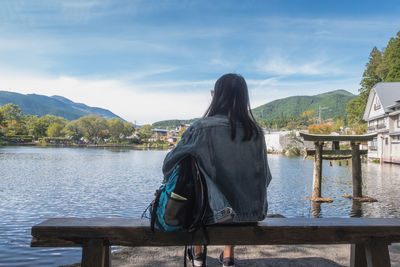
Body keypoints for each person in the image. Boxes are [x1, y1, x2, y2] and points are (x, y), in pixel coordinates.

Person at [162, 73, 272, 267]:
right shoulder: (256, 132)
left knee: (195, 175)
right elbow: (267, 177)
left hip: (209, 217)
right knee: (233, 194)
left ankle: (197, 253)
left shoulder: (201, 128)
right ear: (245, 98)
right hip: (252, 215)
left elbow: (168, 166)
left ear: (215, 96)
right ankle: (228, 256)